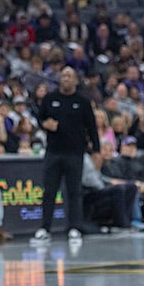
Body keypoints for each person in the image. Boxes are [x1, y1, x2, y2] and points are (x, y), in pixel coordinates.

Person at [31, 67, 99, 244]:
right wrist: (45, 123)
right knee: (49, 191)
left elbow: (92, 127)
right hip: (53, 152)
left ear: (76, 80)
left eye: (70, 76)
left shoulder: (82, 101)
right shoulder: (50, 99)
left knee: (74, 191)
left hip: (75, 153)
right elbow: (39, 118)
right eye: (64, 76)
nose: (66, 79)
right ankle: (45, 228)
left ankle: (74, 227)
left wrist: (96, 150)